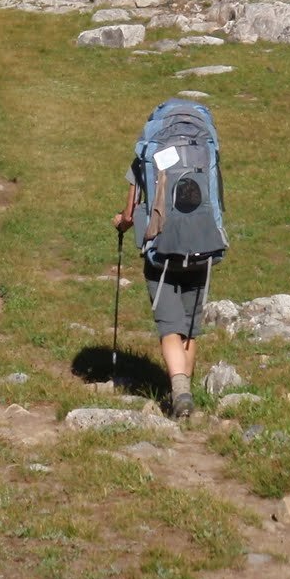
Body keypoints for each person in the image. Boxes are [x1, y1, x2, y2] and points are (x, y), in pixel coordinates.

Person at [114, 170, 211, 419]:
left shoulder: (149, 144)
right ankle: (183, 395)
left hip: (161, 254)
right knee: (189, 328)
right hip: (200, 247)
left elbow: (130, 210)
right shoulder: (201, 141)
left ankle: (180, 394)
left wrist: (122, 222)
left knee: (170, 329)